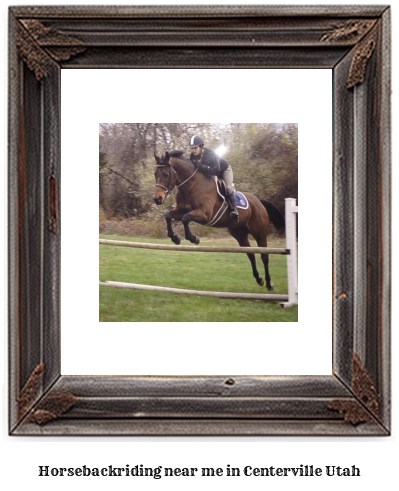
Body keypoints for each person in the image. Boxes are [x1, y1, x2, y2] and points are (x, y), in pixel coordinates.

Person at [189, 135, 239, 222]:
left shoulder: (210, 154)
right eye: (192, 148)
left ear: (201, 146)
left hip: (224, 170)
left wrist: (201, 167)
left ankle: (234, 210)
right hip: (210, 173)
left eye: (195, 148)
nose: (193, 150)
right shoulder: (192, 156)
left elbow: (215, 171)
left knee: (227, 188)